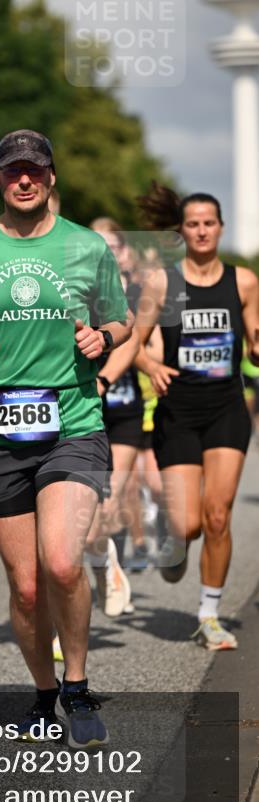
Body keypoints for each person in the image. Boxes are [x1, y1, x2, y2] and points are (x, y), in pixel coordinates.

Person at [0, 130, 132, 747]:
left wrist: (106, 338)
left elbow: (121, 317)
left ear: (48, 177)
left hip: (72, 422)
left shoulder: (85, 246)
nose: (24, 180)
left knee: (64, 562)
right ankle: (44, 695)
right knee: (25, 583)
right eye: (13, 170)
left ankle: (77, 684)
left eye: (35, 171)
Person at [136, 184, 259, 650]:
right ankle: (175, 542)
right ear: (181, 231)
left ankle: (209, 614)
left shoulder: (244, 281)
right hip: (178, 412)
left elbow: (254, 342)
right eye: (193, 223)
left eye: (209, 223)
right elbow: (134, 340)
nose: (202, 230)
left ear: (220, 228)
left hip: (227, 408)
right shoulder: (162, 282)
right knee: (187, 524)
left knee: (218, 516)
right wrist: (150, 365)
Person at [85, 218, 142, 617]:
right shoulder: (77, 285)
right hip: (81, 411)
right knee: (88, 515)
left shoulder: (136, 290)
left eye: (111, 244)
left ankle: (107, 566)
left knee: (109, 502)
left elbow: (139, 338)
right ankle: (105, 562)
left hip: (123, 408)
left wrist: (106, 378)